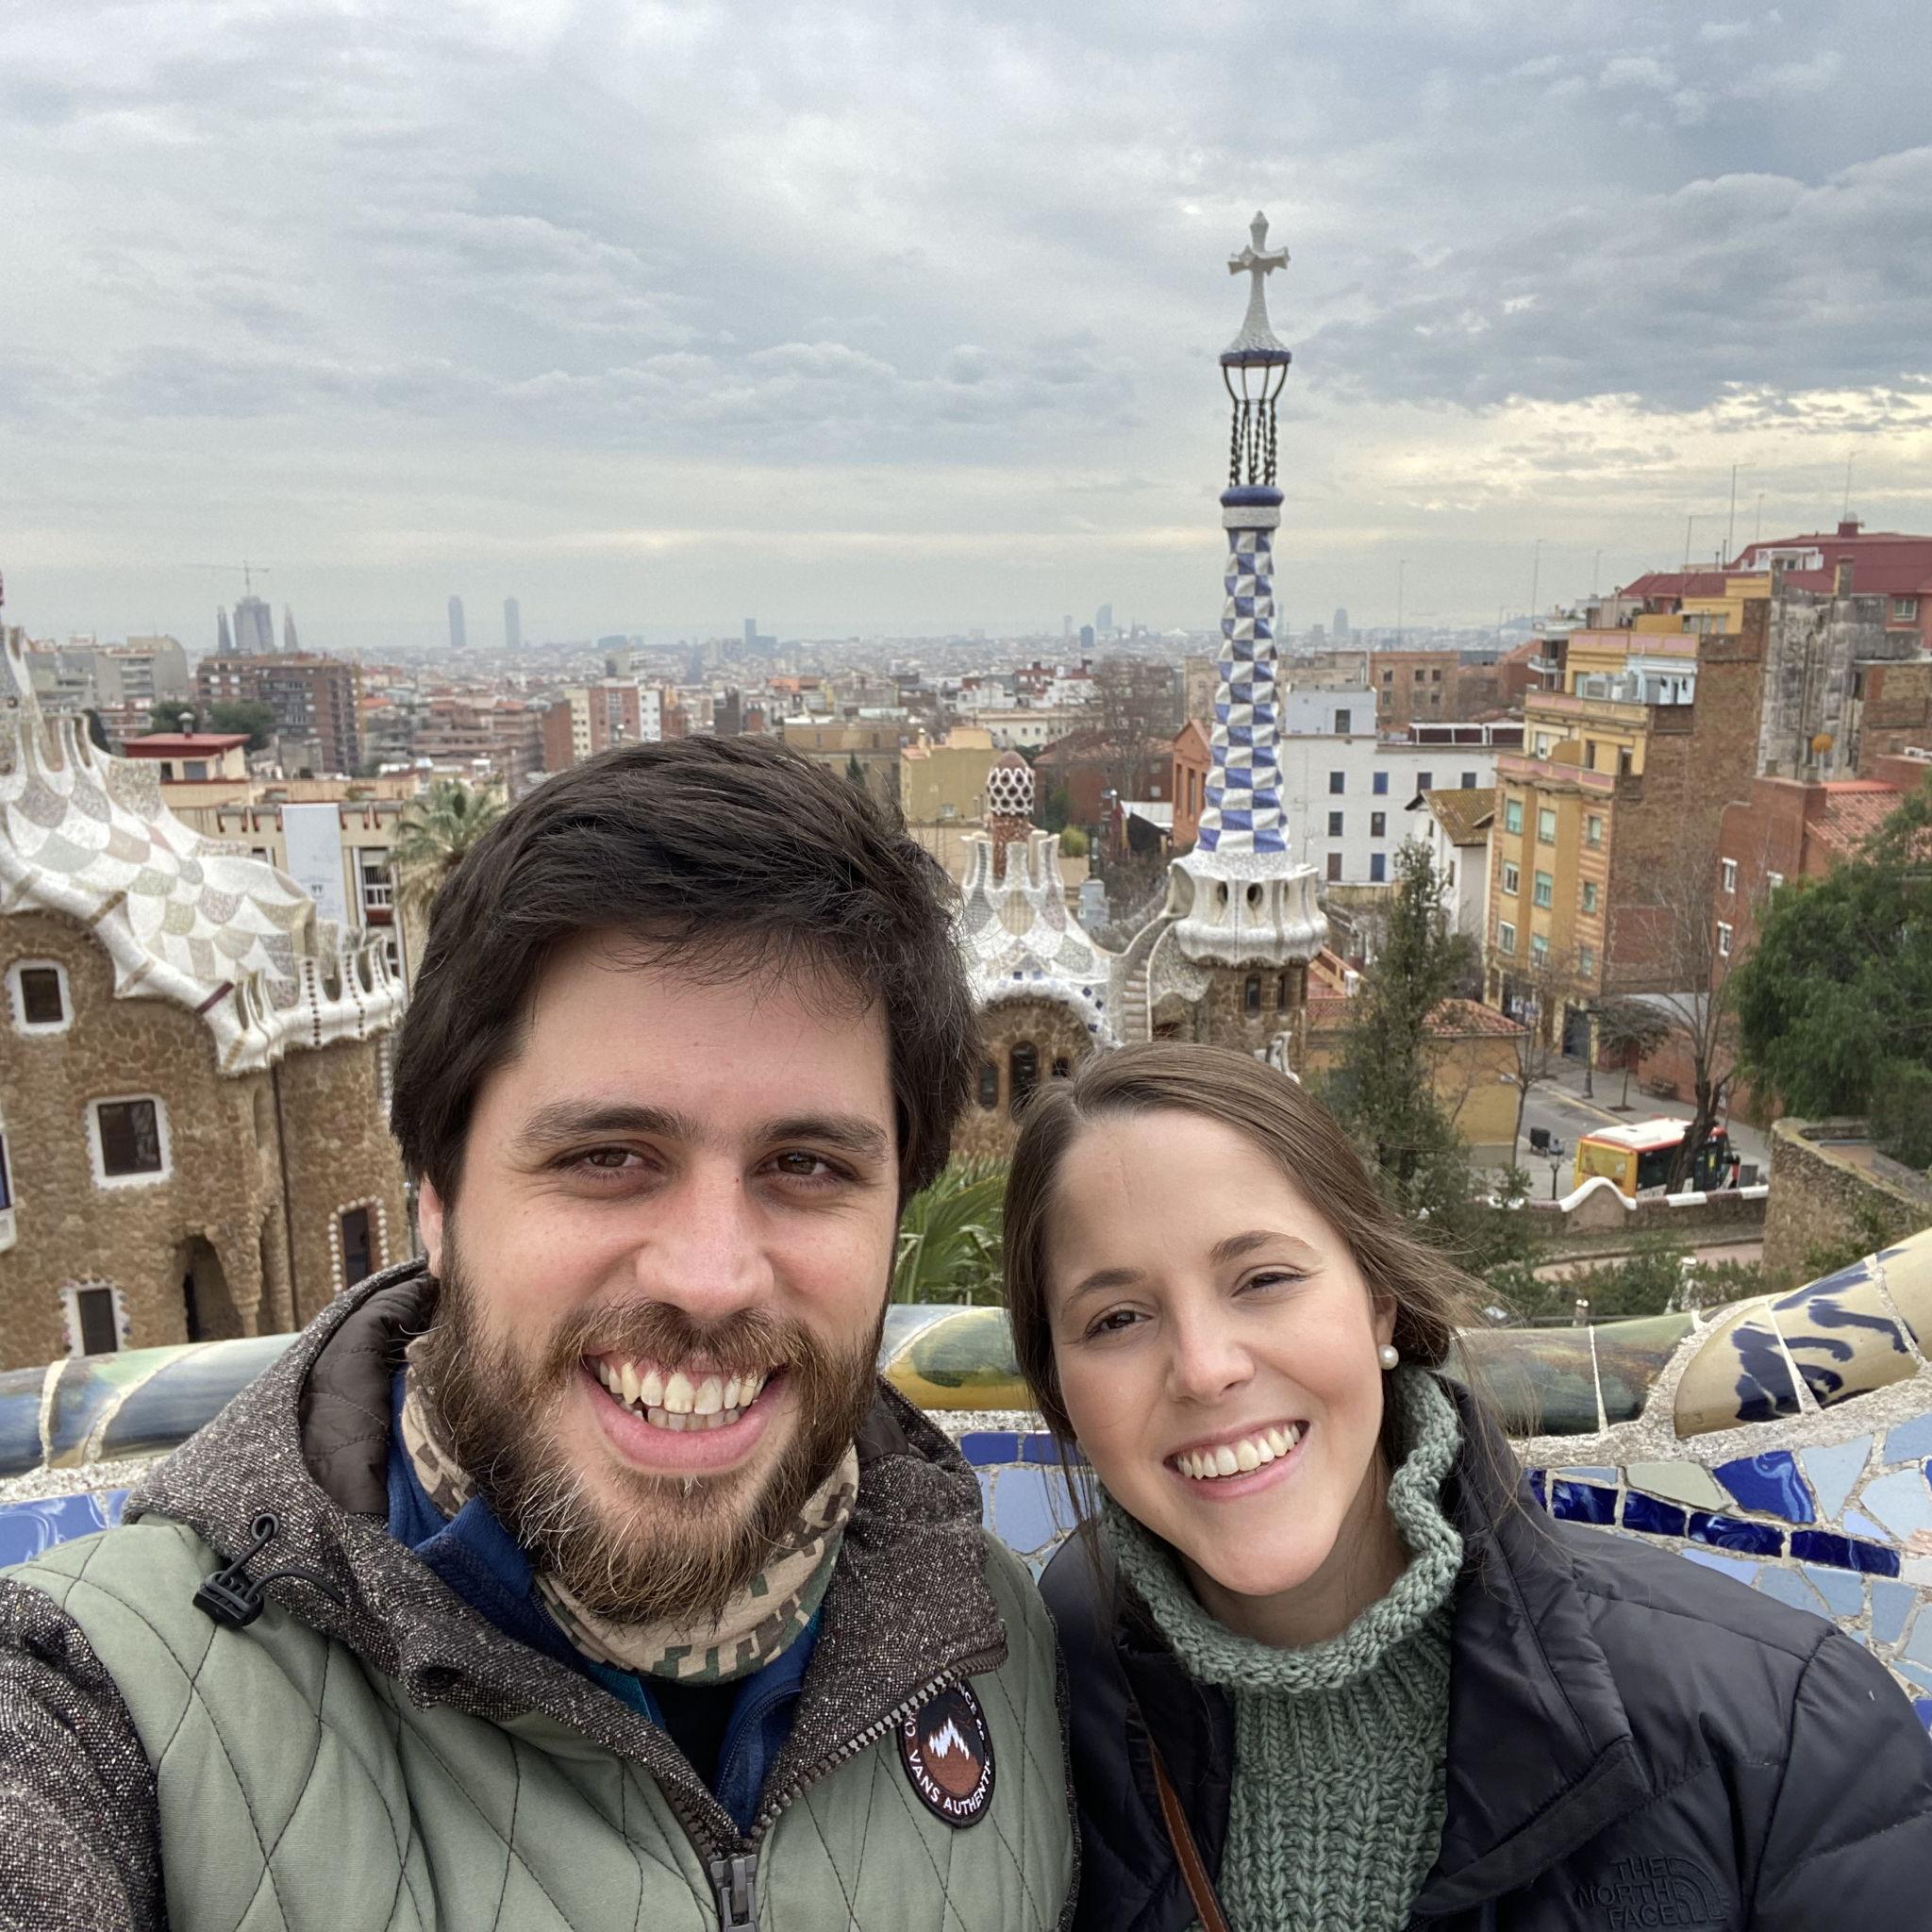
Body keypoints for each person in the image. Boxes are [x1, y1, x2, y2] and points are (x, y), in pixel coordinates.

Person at [0, 737, 1074, 1932]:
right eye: (607, 1155)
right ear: (438, 1199)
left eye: (807, 1164)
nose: (708, 1278)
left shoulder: (998, 1644)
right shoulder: (111, 1698)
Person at [1004, 1041, 1932, 1932]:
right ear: (1060, 1389)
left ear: (1377, 1303)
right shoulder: (1055, 1672)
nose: (1205, 1368)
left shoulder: (1782, 1735)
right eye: (1117, 1318)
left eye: (1263, 1278)